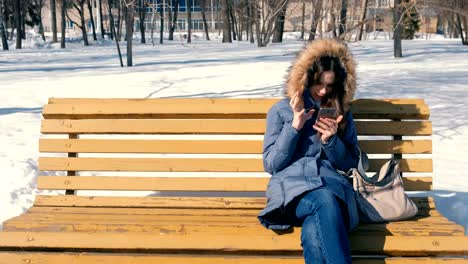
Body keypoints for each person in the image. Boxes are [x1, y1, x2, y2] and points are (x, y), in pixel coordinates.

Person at [258, 38, 360, 264]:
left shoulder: (340, 111)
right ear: (306, 79)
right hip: (290, 194)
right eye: (318, 83)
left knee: (314, 236)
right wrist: (294, 127)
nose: (323, 91)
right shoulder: (281, 111)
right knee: (323, 201)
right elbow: (272, 165)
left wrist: (331, 141)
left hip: (332, 190)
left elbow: (350, 162)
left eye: (330, 86)